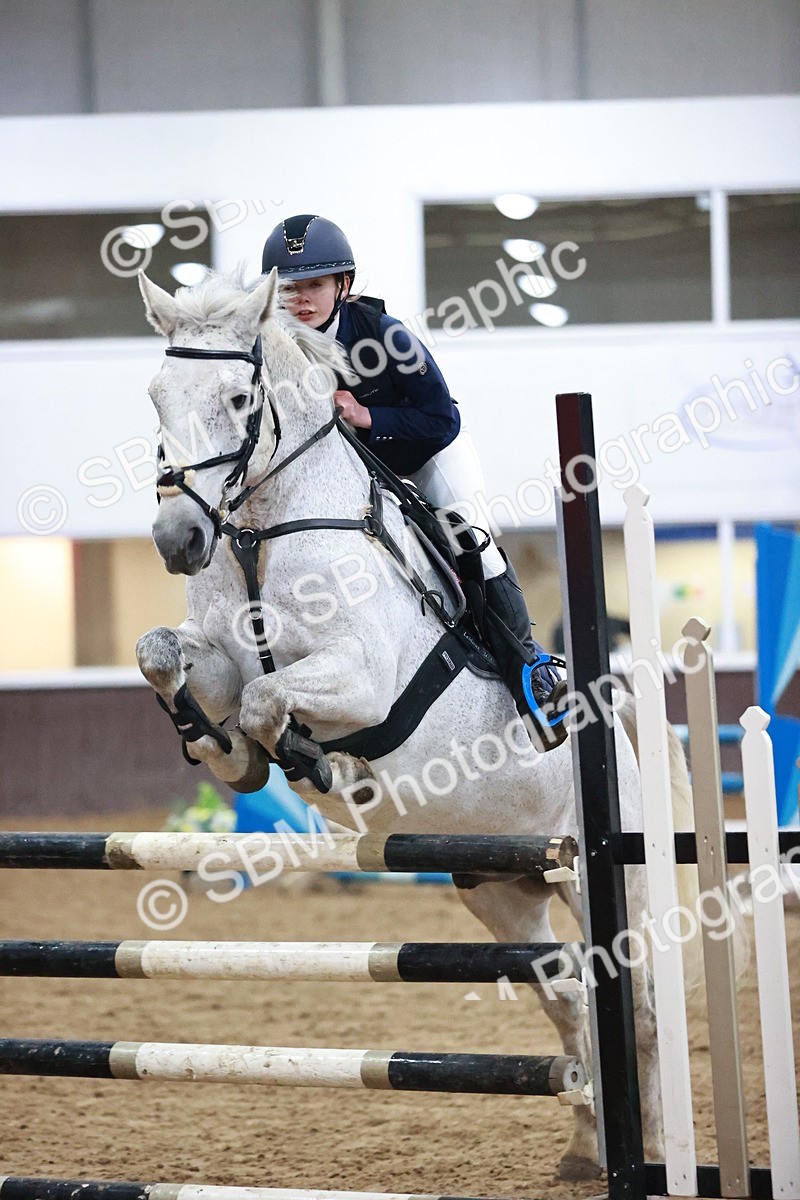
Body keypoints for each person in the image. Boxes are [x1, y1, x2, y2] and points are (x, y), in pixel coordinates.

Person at [262, 214, 568, 749]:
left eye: (315, 284)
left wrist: (367, 417)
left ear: (343, 286)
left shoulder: (387, 336)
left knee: (470, 539)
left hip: (426, 455)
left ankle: (530, 672)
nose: (302, 300)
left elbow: (440, 420)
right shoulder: (273, 355)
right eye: (289, 288)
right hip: (356, 478)